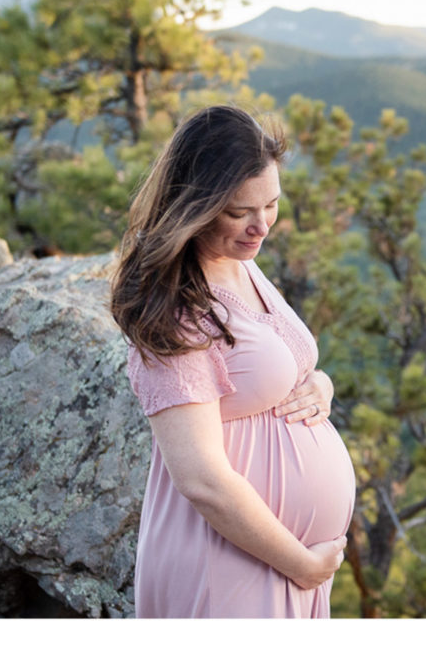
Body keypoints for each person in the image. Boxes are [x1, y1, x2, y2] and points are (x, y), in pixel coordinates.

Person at [110, 105, 355, 618]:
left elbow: (274, 364)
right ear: (193, 206)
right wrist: (302, 566)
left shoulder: (241, 263)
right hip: (228, 563)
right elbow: (201, 479)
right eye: (238, 212)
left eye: (272, 205)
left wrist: (321, 385)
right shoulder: (174, 309)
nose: (260, 226)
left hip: (280, 565)